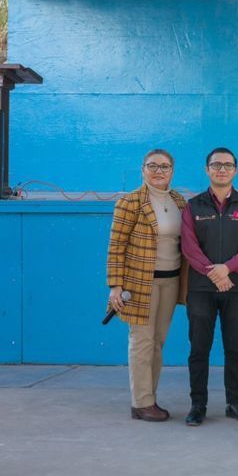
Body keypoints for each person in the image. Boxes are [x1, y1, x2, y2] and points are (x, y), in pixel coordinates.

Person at [180, 147, 238, 425]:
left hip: (236, 287)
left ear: (235, 170)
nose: (222, 169)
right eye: (216, 165)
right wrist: (212, 272)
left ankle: (235, 403)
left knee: (235, 349)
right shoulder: (193, 206)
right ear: (207, 169)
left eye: (227, 165)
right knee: (199, 349)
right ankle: (198, 405)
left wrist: (227, 268)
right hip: (201, 289)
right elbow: (189, 246)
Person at [106, 148, 188, 422]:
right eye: (152, 166)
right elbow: (116, 246)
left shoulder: (179, 201)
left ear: (172, 172)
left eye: (164, 167)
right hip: (140, 283)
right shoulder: (129, 203)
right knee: (141, 341)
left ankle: (149, 397)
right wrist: (115, 286)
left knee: (157, 343)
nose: (158, 171)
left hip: (171, 281)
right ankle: (141, 403)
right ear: (142, 170)